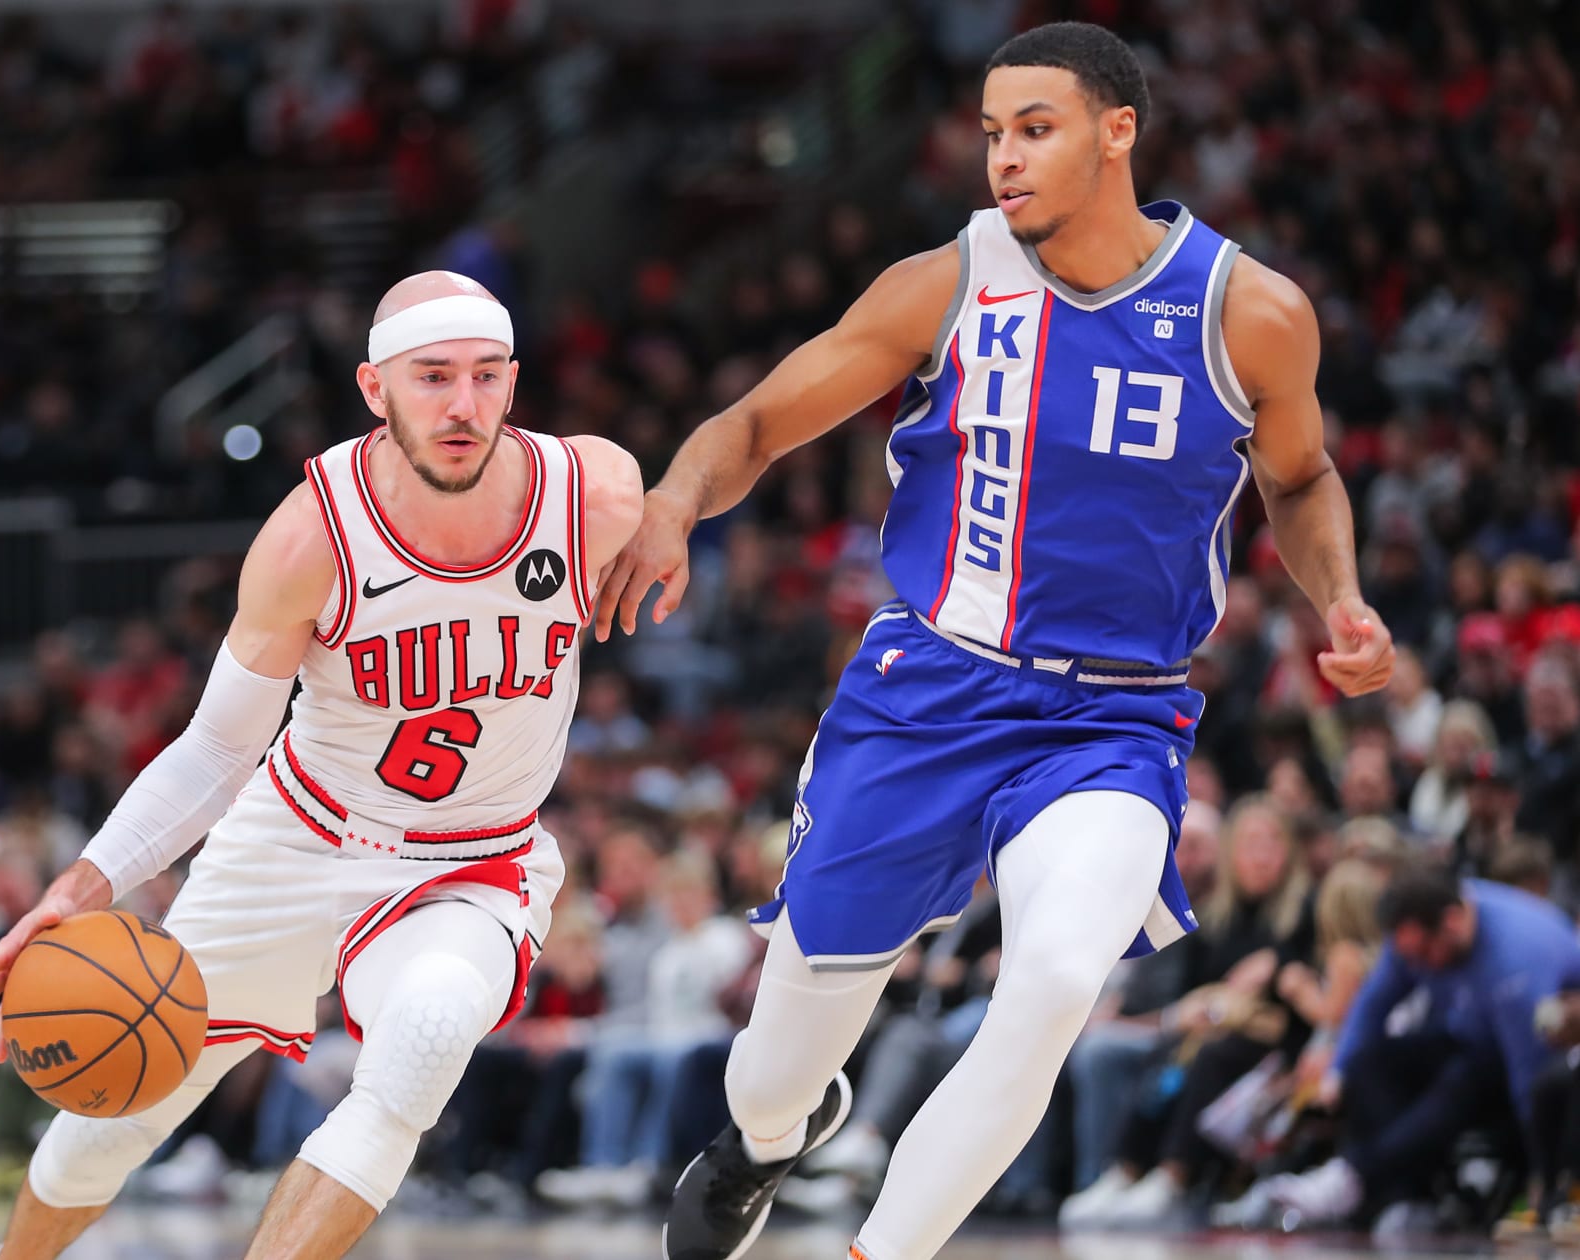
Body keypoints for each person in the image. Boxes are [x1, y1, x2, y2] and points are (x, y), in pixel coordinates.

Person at [593, 23, 1395, 1260]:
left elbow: (1301, 479)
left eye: (1035, 129)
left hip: (1113, 721)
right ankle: (763, 1142)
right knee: (775, 1066)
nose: (1004, 160)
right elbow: (754, 425)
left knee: (1060, 977)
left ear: (1116, 130)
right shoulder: (950, 283)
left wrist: (1339, 596)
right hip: (925, 693)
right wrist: (671, 500)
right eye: (990, 134)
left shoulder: (1253, 314)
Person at [0, 271, 643, 1260]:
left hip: (468, 861)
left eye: (487, 378)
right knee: (122, 1106)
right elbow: (218, 747)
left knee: (428, 1034)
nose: (463, 405)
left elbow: (683, 497)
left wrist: (673, 525)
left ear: (514, 381)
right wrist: (82, 884)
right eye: (434, 376)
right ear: (375, 389)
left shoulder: (595, 493)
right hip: (299, 836)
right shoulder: (311, 534)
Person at [1259, 863, 1580, 1228]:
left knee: (1462, 1079)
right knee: (1371, 1063)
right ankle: (1403, 1196)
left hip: (1538, 1061)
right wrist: (1338, 1071)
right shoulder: (1421, 931)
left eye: (1424, 954)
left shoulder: (1515, 957)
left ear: (1453, 923)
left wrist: (1543, 1176)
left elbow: (1530, 1076)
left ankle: (1353, 1176)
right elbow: (1373, 1003)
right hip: (1469, 1041)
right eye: (1408, 957)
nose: (1417, 965)